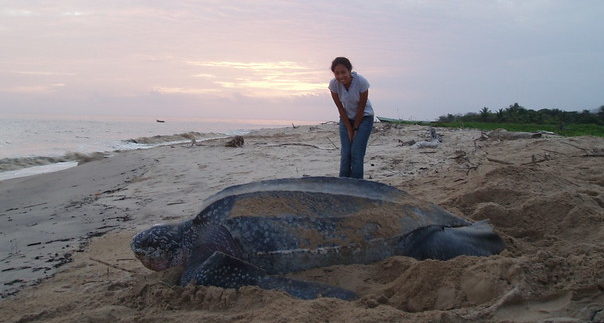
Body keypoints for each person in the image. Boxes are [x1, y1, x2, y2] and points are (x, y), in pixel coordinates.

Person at [328, 57, 374, 179]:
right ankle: (343, 183)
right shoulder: (333, 84)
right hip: (346, 119)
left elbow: (361, 107)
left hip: (364, 118)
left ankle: (357, 185)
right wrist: (349, 128)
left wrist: (355, 129)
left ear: (349, 71)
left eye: (343, 72)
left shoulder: (361, 82)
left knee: (356, 152)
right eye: (337, 73)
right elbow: (340, 108)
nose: (341, 76)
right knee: (346, 153)